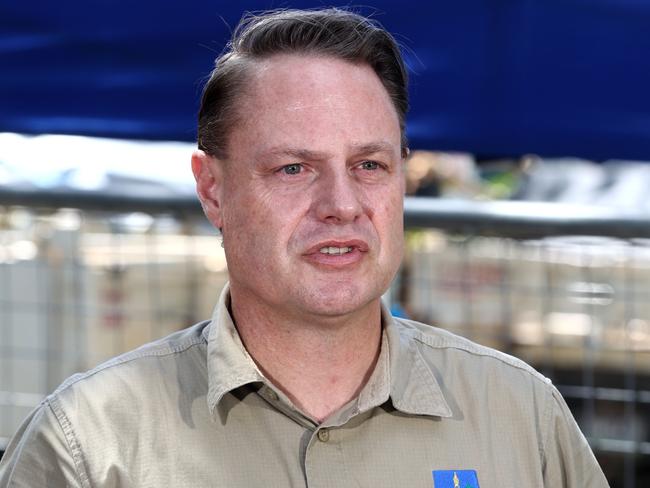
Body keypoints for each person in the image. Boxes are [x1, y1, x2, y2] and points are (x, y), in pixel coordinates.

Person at [0, 8, 608, 487]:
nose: (341, 203)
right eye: (294, 168)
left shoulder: (522, 416)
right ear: (213, 190)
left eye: (369, 164)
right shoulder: (88, 446)